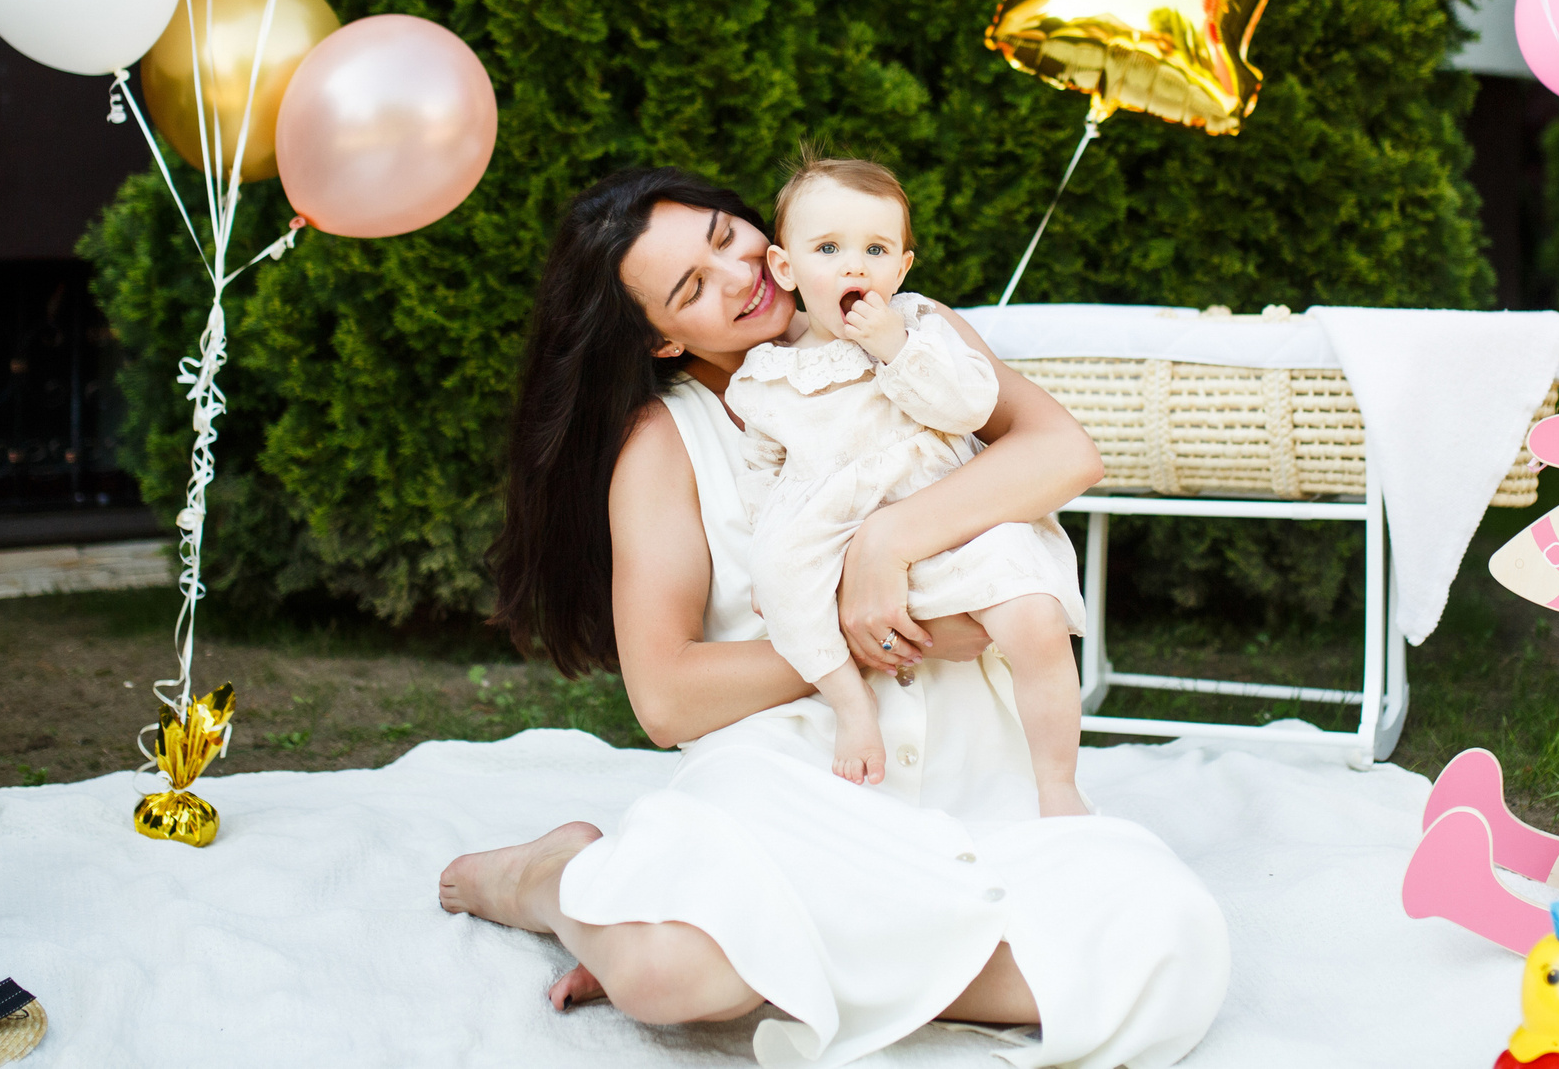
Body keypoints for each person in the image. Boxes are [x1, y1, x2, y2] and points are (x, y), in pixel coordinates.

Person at [440, 167, 1229, 1068]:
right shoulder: (671, 442)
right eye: (691, 288)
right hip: (804, 781)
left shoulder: (918, 334)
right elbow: (666, 700)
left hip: (983, 790)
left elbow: (1062, 450)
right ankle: (555, 879)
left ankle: (806, 956)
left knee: (1166, 952)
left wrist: (885, 547)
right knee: (666, 977)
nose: (739, 275)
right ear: (661, 341)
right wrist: (863, 641)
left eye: (725, 235)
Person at [731, 153, 1086, 814]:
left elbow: (969, 408)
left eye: (875, 248)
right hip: (830, 520)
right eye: (829, 247)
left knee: (1035, 614)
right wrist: (766, 543)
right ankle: (850, 702)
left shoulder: (924, 331)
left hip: (946, 513)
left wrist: (895, 346)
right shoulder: (767, 376)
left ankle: (1058, 781)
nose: (854, 266)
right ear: (787, 268)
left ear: (902, 267)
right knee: (779, 574)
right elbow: (762, 465)